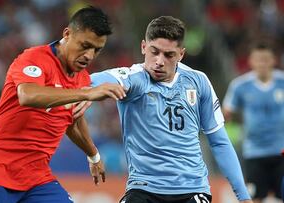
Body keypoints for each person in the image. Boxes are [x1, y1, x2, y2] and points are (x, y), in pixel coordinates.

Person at [0, 6, 126, 203]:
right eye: (85, 45)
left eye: (97, 50)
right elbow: (27, 95)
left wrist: (94, 155)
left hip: (36, 178)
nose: (89, 56)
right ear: (67, 33)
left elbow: (73, 121)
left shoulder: (82, 78)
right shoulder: (35, 59)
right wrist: (87, 93)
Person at [88, 16, 253, 203]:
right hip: (144, 189)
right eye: (154, 52)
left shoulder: (198, 82)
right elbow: (86, 83)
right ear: (143, 47)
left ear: (181, 54)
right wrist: (79, 92)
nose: (159, 61)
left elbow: (219, 142)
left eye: (168, 55)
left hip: (192, 190)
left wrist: (243, 197)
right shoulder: (132, 79)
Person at [223, 42, 284, 203]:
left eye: (266, 59)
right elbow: (226, 112)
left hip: (282, 151)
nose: (262, 64)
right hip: (254, 152)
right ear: (251, 61)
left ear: (273, 61)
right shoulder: (240, 85)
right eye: (258, 59)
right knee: (255, 198)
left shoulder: (282, 82)